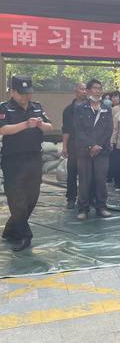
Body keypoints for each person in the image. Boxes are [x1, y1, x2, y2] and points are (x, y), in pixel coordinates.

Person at [0, 76, 53, 251]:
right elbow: (3, 129)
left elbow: (50, 126)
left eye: (28, 94)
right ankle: (24, 235)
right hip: (13, 159)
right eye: (21, 94)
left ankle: (10, 229)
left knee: (32, 197)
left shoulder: (36, 107)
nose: (25, 97)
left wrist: (41, 125)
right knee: (16, 198)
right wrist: (25, 124)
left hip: (33, 158)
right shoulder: (4, 108)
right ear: (12, 92)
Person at [74, 78, 113, 220]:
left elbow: (109, 129)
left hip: (102, 151)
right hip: (84, 151)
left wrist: (99, 146)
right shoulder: (80, 108)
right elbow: (79, 130)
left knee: (101, 179)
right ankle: (83, 208)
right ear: (88, 91)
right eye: (95, 88)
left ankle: (101, 207)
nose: (98, 91)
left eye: (99, 88)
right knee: (84, 180)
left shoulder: (106, 108)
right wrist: (91, 145)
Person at [61, 82, 87, 209]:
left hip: (88, 145)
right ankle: (71, 198)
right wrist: (64, 147)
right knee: (72, 172)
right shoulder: (68, 110)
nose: (84, 91)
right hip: (73, 144)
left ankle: (86, 198)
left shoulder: (91, 107)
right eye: (81, 89)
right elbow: (66, 129)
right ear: (75, 90)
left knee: (86, 173)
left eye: (85, 89)